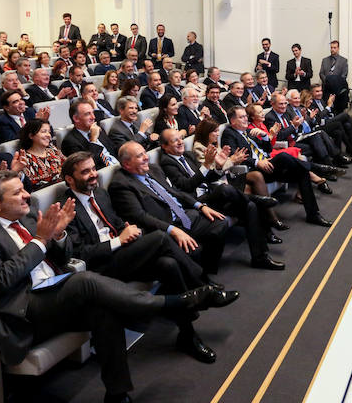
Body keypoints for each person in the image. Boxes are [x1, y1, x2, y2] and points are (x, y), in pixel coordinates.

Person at [0, 171, 223, 403]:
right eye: (18, 193)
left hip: (59, 291)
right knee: (84, 279)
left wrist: (57, 235)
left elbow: (63, 257)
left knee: (104, 310)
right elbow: (0, 281)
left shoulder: (29, 216)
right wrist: (40, 240)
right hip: (24, 309)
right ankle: (175, 302)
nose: (27, 196)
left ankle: (117, 394)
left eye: (24, 190)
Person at [61, 152, 235, 363]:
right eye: (85, 172)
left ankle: (188, 336)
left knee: (168, 264)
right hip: (101, 268)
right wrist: (118, 241)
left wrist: (126, 228)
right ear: (70, 179)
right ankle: (203, 285)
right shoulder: (65, 208)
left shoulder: (100, 194)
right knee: (161, 238)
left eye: (92, 169)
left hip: (125, 254)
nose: (92, 175)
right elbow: (79, 254)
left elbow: (115, 221)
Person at [159, 129, 284, 270]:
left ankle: (260, 258)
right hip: (197, 203)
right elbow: (186, 186)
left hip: (210, 194)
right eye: (175, 140)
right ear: (164, 146)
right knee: (225, 189)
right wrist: (206, 166)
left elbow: (206, 178)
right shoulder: (167, 163)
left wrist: (218, 167)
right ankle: (256, 199)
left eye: (181, 138)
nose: (181, 142)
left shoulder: (187, 156)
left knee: (250, 207)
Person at [109, 142, 229, 276]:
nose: (146, 157)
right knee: (193, 249)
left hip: (184, 216)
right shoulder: (121, 184)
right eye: (139, 156)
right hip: (166, 226)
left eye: (144, 153)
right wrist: (172, 230)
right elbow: (140, 217)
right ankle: (202, 282)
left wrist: (200, 206)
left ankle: (209, 270)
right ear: (127, 164)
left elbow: (174, 192)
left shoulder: (153, 169)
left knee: (221, 223)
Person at [222, 107, 332, 226]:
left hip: (268, 164)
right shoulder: (229, 134)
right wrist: (256, 162)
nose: (246, 119)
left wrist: (264, 136)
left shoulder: (248, 132)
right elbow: (235, 155)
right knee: (283, 156)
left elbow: (268, 149)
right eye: (241, 117)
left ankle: (313, 215)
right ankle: (317, 168)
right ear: (233, 121)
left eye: (245, 116)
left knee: (302, 173)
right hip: (254, 170)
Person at [60, 100, 119, 169]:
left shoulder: (97, 129)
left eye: (93, 113)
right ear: (76, 118)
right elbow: (86, 166)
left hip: (118, 166)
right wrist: (93, 140)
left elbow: (114, 150)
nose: (93, 117)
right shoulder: (70, 142)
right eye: (88, 114)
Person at [307, 83, 352, 156]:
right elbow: (320, 117)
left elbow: (329, 112)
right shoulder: (311, 102)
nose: (320, 93)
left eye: (320, 91)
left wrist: (331, 104)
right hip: (322, 124)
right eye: (317, 91)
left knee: (347, 125)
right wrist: (329, 105)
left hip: (329, 120)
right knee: (344, 115)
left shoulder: (321, 100)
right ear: (311, 93)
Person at [18, 118, 65, 189]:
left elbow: (67, 166)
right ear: (31, 136)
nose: (48, 135)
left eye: (49, 132)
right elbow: (31, 186)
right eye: (44, 132)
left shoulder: (53, 150)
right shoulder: (25, 158)